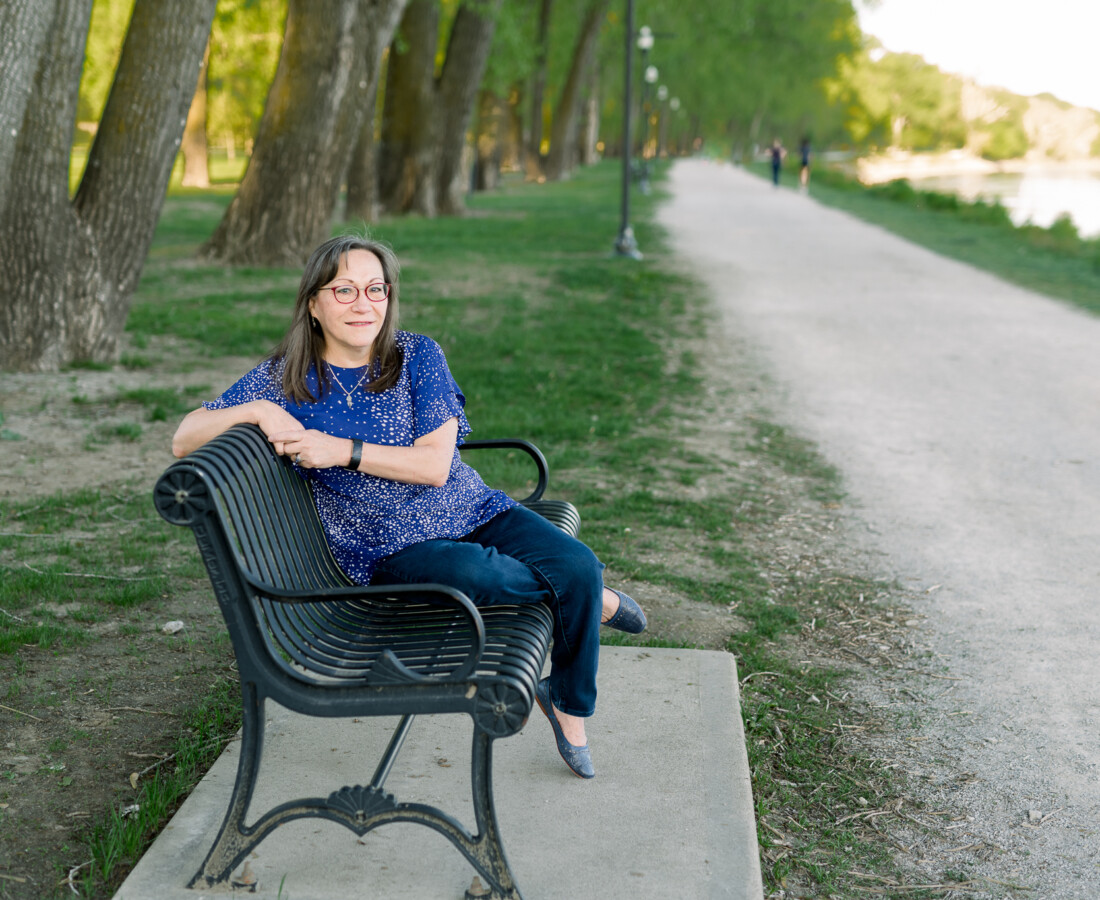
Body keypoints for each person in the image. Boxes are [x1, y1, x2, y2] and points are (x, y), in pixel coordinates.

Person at [171, 233, 646, 780]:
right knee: (493, 575)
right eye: (343, 290)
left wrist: (341, 451)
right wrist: (258, 409)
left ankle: (566, 705)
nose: (362, 303)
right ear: (314, 304)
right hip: (390, 547)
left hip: (471, 507)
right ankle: (595, 602)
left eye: (375, 289)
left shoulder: (417, 354)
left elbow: (435, 467)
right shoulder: (286, 381)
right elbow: (185, 437)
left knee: (579, 565)